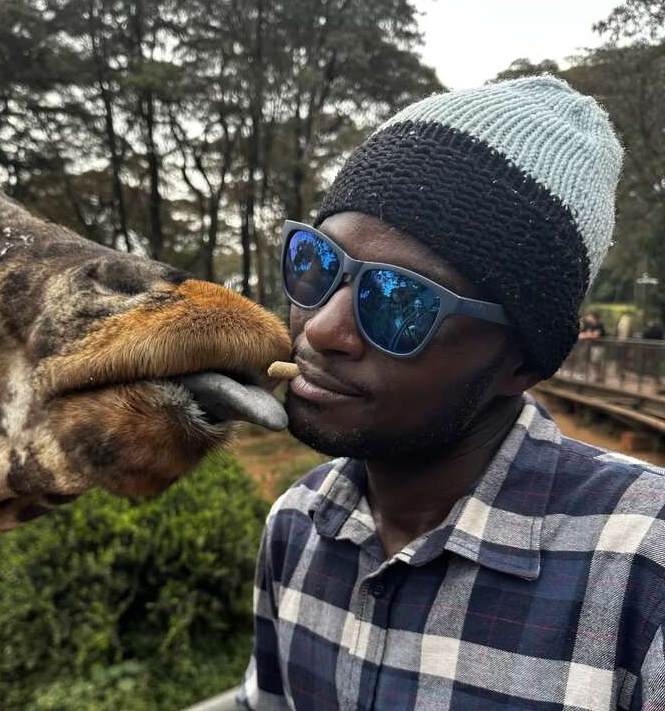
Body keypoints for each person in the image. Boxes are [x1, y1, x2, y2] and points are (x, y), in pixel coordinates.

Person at [237, 76, 665, 710]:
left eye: (400, 302)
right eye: (317, 263)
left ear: (519, 363)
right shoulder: (298, 523)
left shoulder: (642, 568)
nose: (323, 328)